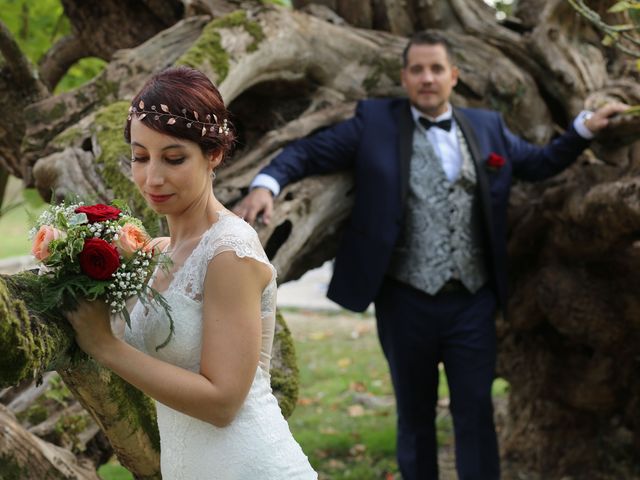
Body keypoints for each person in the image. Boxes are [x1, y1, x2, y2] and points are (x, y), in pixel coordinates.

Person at [233, 31, 628, 480]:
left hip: (473, 300)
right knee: (415, 416)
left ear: (453, 76)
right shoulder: (375, 121)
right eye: (417, 69)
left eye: (436, 69)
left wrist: (582, 130)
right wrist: (266, 183)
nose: (427, 78)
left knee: (475, 413)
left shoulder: (487, 127)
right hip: (405, 300)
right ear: (404, 77)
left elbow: (538, 164)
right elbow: (308, 151)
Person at [66, 66, 317, 479]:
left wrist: (106, 346)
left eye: (174, 158)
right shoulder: (155, 254)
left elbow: (222, 403)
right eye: (140, 157)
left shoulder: (229, 252)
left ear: (213, 154)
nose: (153, 177)